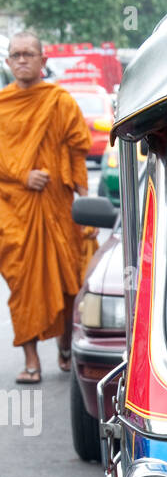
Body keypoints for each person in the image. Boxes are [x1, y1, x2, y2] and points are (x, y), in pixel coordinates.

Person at [0, 32, 96, 384]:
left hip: (58, 208)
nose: (22, 60)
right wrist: (22, 175)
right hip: (12, 211)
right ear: (8, 63)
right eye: (16, 55)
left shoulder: (59, 101)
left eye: (29, 54)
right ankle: (30, 361)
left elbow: (76, 152)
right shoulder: (1, 105)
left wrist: (86, 203)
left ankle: (65, 347)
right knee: (21, 282)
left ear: (43, 60)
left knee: (69, 282)